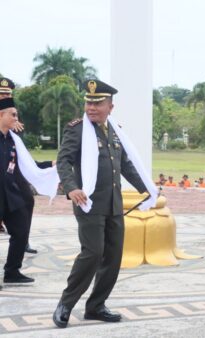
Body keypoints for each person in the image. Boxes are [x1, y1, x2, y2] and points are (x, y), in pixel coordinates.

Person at [53, 79, 157, 328]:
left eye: (97, 103)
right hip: (88, 203)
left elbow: (125, 165)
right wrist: (71, 188)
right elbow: (63, 160)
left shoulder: (115, 130)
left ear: (111, 106)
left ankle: (96, 306)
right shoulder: (76, 129)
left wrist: (148, 188)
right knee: (92, 253)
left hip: (114, 205)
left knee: (112, 255)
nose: (91, 107)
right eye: (88, 102)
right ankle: (66, 303)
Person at [0, 97, 60, 289]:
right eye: (13, 114)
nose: (16, 118)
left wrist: (50, 165)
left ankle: (12, 272)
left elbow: (27, 165)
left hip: (10, 195)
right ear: (1, 115)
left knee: (20, 232)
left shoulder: (13, 140)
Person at [0, 77, 39, 254]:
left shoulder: (12, 117)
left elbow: (20, 151)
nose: (4, 96)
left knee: (27, 200)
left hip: (13, 169)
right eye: (1, 94)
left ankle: (23, 239)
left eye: (7, 94)